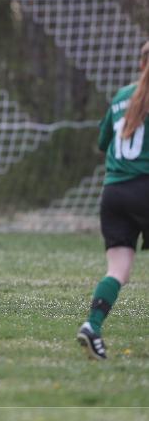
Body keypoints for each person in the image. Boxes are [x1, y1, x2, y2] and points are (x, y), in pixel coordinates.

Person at [77, 40, 149, 360]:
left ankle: (92, 325)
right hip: (145, 188)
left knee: (118, 270)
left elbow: (103, 141)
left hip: (113, 192)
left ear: (140, 63)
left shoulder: (122, 96)